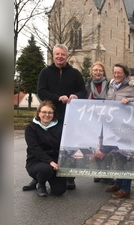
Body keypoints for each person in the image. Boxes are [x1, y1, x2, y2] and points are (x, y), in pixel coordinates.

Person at [23, 44, 86, 191]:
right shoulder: (45, 72)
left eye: (63, 54)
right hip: (48, 116)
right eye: (57, 54)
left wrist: (76, 96)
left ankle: (70, 177)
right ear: (53, 56)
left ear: (67, 56)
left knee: (68, 147)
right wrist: (58, 98)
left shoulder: (75, 73)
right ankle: (37, 177)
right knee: (42, 145)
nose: (60, 57)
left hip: (69, 117)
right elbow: (41, 92)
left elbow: (83, 91)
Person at [105, 63, 134, 199]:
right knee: (117, 155)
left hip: (128, 127)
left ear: (125, 74)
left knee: (126, 157)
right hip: (114, 126)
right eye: (114, 72)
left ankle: (125, 189)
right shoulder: (111, 85)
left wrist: (129, 100)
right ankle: (119, 182)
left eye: (119, 73)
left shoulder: (133, 86)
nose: (116, 75)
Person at [24, 101, 67, 197]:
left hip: (55, 162)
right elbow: (34, 148)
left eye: (50, 112)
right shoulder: (31, 128)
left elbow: (63, 146)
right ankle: (41, 183)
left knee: (59, 191)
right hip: (36, 161)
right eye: (44, 112)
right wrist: (50, 161)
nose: (47, 115)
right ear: (39, 113)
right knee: (45, 169)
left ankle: (42, 178)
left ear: (53, 114)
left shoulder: (60, 128)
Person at [85, 61, 116, 185]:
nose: (98, 72)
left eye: (100, 70)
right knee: (96, 146)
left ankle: (106, 173)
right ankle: (97, 172)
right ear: (91, 72)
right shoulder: (87, 85)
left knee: (106, 146)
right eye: (95, 70)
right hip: (93, 119)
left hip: (107, 119)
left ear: (104, 72)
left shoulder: (109, 84)